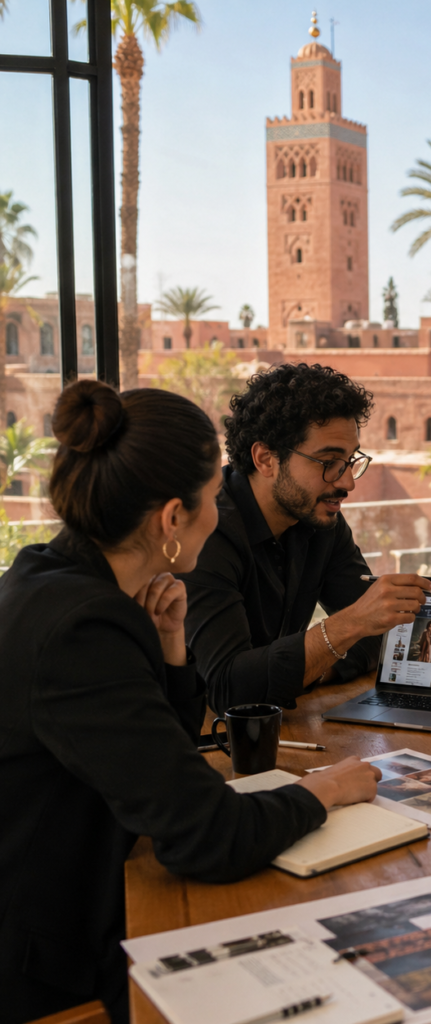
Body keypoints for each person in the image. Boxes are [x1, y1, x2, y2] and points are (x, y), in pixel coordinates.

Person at [0, 381, 382, 1024]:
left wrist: (171, 651)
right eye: (211, 496)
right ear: (173, 518)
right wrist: (327, 789)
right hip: (42, 961)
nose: (221, 508)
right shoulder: (81, 629)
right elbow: (206, 835)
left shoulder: (54, 577)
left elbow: (157, 754)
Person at [181, 363, 431, 713]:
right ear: (266, 459)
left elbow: (380, 635)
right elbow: (228, 688)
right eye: (329, 461)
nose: (347, 483)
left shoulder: (319, 520)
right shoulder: (208, 532)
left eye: (349, 460)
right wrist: (349, 625)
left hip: (278, 733)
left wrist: (308, 670)